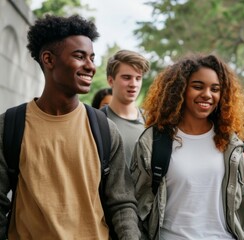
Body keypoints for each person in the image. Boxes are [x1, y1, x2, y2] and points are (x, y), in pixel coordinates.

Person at [0, 15, 140, 239]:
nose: (91, 66)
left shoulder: (104, 129)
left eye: (92, 58)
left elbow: (122, 203)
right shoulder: (10, 125)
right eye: (79, 56)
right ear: (48, 59)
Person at [130, 53, 244, 239]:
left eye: (215, 89)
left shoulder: (230, 143)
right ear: (180, 89)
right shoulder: (153, 141)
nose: (207, 94)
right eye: (197, 86)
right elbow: (137, 204)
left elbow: (242, 202)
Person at [103, 50, 150, 166]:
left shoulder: (152, 121)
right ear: (110, 80)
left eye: (138, 78)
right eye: (126, 77)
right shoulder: (98, 122)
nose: (133, 84)